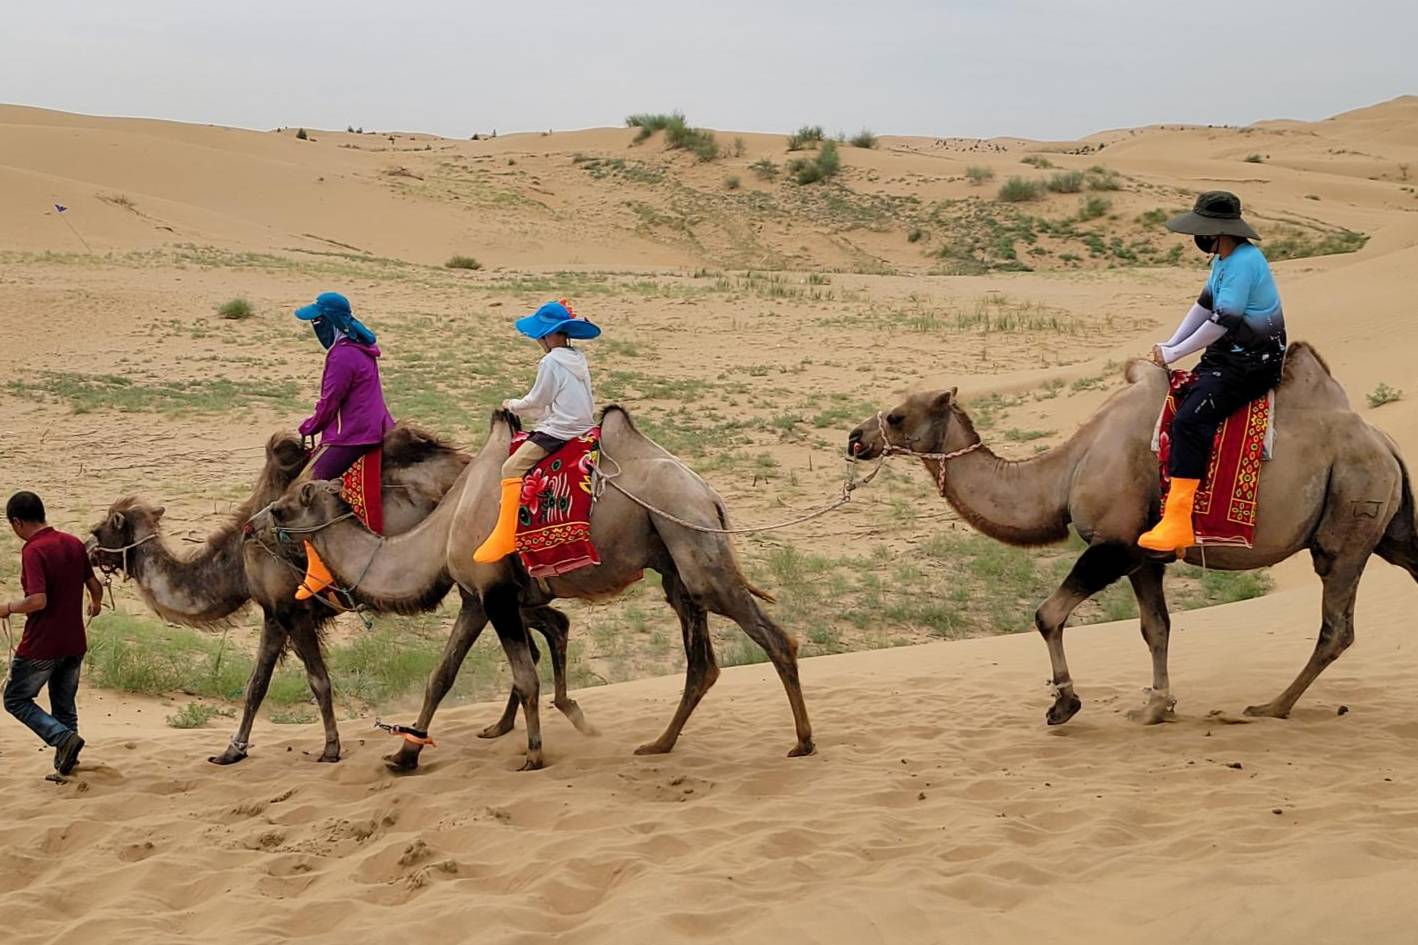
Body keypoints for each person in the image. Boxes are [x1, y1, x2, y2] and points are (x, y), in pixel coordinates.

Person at [1138, 191, 1287, 553]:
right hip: (1227, 355)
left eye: (1203, 229)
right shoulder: (1224, 258)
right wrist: (1170, 343)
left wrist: (1176, 351)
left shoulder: (1243, 263)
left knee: (1190, 421)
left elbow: (1224, 319)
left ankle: (1177, 521)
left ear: (1219, 231)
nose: (1198, 237)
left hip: (1252, 363)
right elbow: (1204, 305)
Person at [474, 300, 601, 563]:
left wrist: (512, 405)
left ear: (549, 335)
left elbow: (538, 400)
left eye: (541, 334)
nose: (539, 340)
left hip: (559, 431)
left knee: (510, 468)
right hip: (584, 426)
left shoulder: (551, 362)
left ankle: (506, 536)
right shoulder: (578, 357)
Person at [293, 292, 395, 598]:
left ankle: (319, 569)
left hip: (353, 434)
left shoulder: (341, 355)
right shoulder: (360, 348)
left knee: (304, 490)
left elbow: (330, 401)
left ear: (330, 321)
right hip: (374, 426)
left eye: (317, 320)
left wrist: (310, 426)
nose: (315, 325)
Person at [2, 491, 102, 775]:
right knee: (64, 705)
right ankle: (65, 766)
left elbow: (37, 601)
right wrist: (95, 604)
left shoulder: (33, 550)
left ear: (17, 522)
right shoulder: (71, 542)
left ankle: (62, 739)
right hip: (74, 641)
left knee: (15, 699)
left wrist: (7, 607)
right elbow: (94, 584)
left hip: (42, 644)